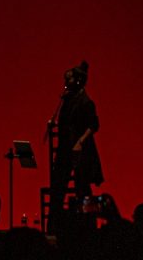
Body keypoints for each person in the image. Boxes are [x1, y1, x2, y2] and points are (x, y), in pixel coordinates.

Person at [50, 60, 103, 212]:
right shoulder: (67, 100)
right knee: (58, 187)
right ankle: (55, 224)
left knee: (82, 187)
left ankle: (87, 223)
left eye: (69, 79)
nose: (66, 82)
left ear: (79, 80)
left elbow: (94, 125)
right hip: (65, 148)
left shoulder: (86, 102)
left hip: (80, 151)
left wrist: (80, 141)